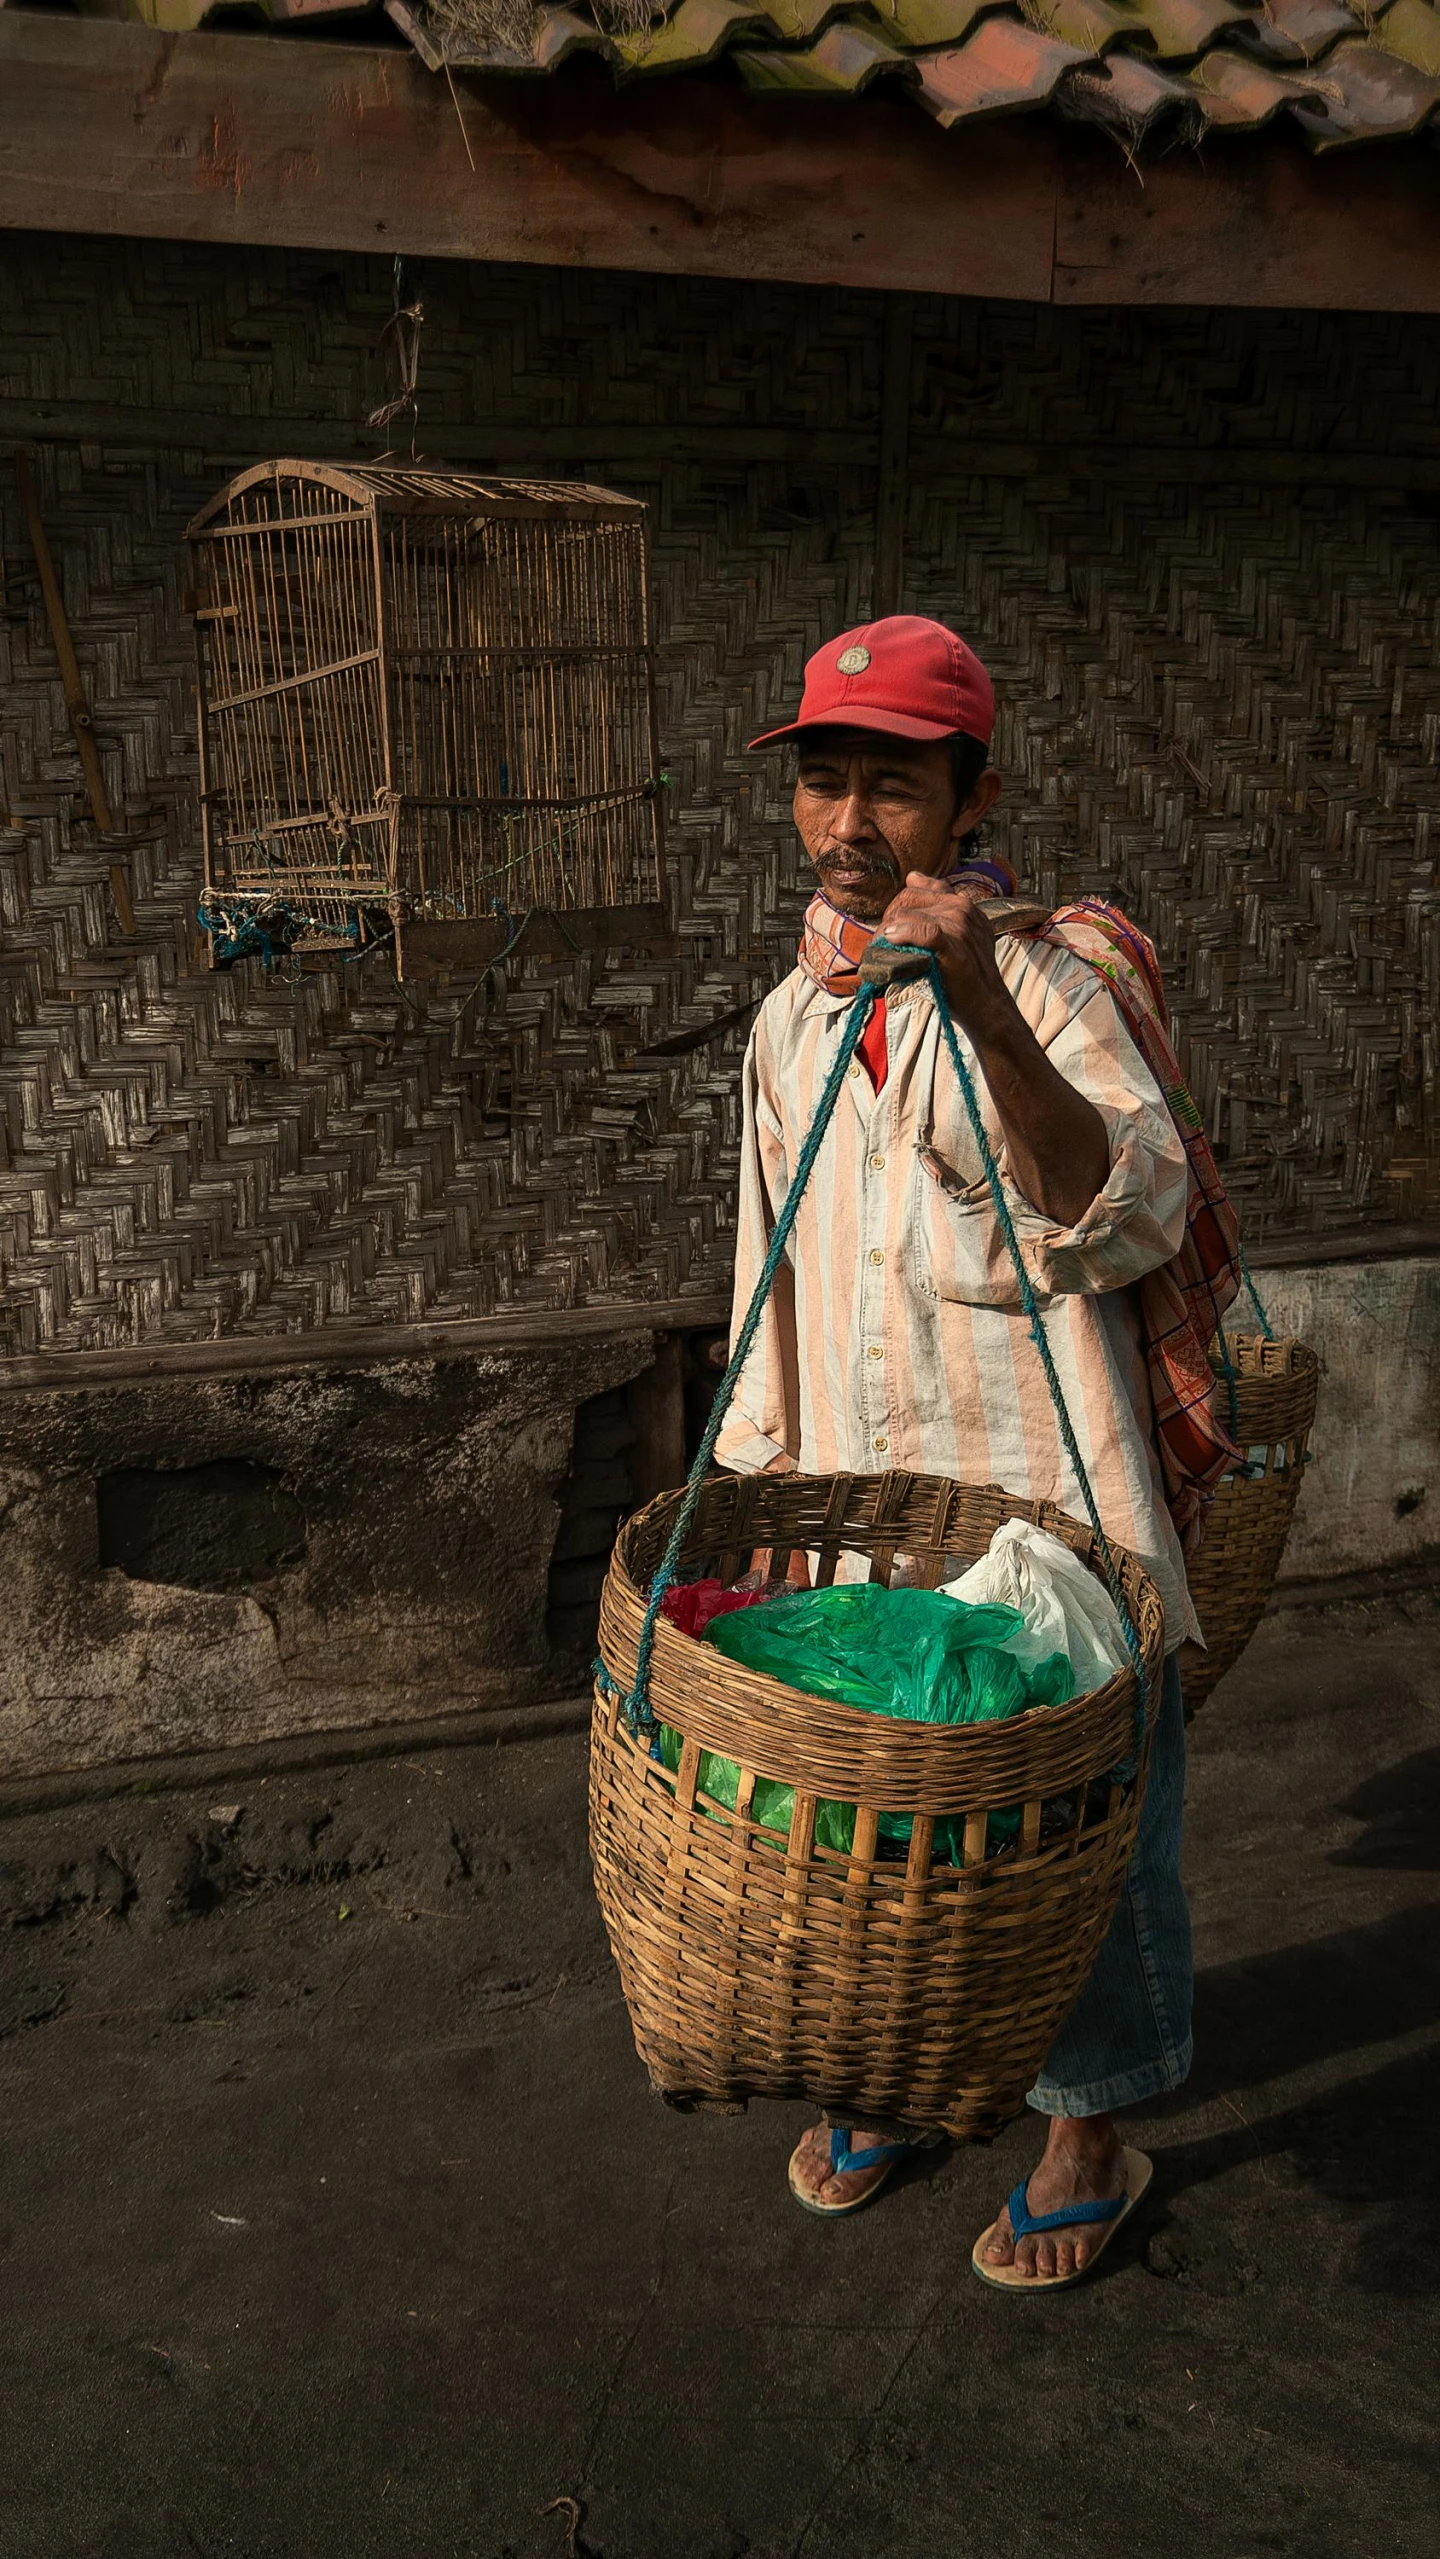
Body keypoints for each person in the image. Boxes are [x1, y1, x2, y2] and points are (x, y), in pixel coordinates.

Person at [716, 614, 1228, 2289]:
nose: (852, 823)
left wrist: (984, 1008)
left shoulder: (1053, 976)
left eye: (894, 786)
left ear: (973, 795)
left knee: (1086, 1826)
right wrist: (762, 1490)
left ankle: (1093, 2120)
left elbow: (1128, 1204)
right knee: (892, 1828)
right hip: (877, 1505)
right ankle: (907, 2073)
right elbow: (769, 1275)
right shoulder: (798, 1017)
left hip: (1053, 1504)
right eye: (824, 783)